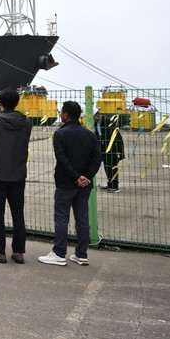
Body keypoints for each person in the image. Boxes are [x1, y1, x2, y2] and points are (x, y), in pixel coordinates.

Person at [39, 101, 102, 266]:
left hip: (65, 183)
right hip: (85, 185)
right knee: (82, 218)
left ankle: (59, 253)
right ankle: (81, 254)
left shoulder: (60, 134)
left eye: (61, 112)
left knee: (61, 217)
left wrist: (76, 177)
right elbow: (97, 158)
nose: (60, 114)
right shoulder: (90, 134)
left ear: (66, 114)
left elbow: (62, 159)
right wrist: (86, 177)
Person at [0, 88, 32, 265]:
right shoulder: (26, 122)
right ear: (17, 102)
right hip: (18, 174)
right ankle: (18, 252)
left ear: (0, 103)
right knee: (18, 213)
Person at [93, 109, 125, 192]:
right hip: (104, 148)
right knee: (107, 166)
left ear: (97, 115)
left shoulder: (108, 121)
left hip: (113, 148)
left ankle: (115, 186)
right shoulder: (96, 123)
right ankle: (110, 184)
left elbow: (112, 136)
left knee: (112, 167)